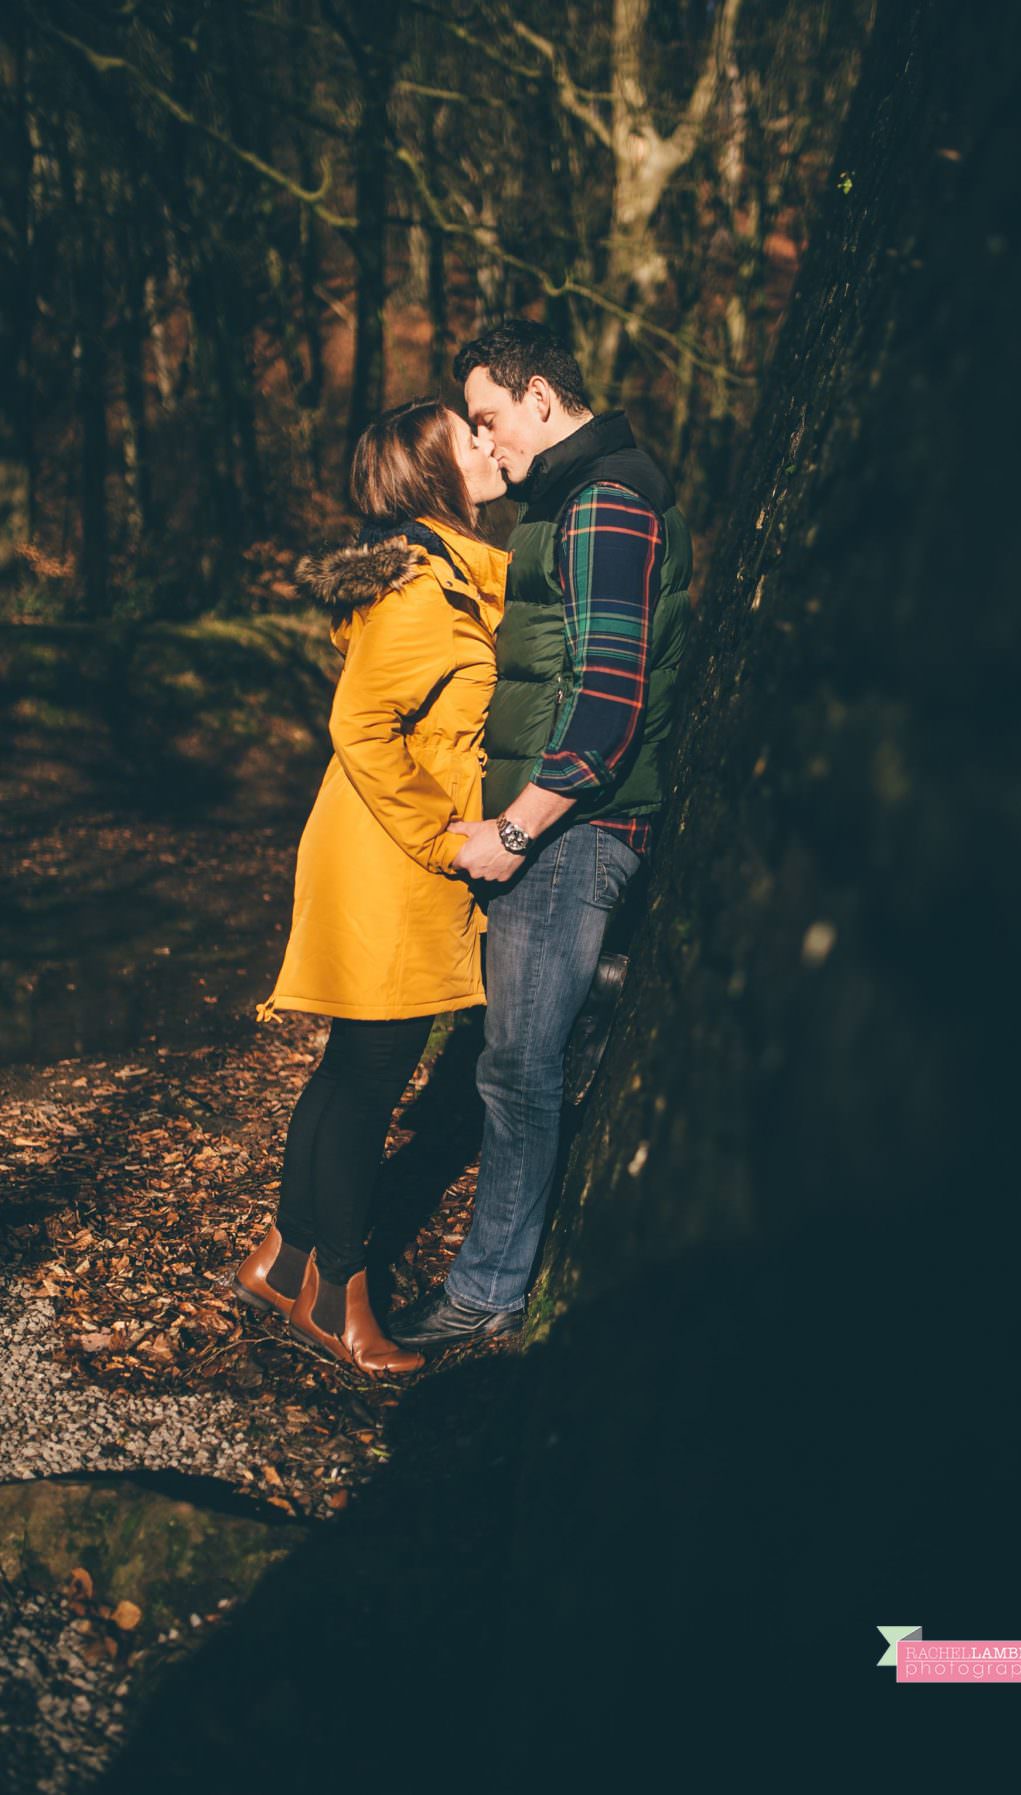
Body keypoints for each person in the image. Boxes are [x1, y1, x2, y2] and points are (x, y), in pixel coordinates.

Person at [391, 320, 693, 1351]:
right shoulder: (573, 499)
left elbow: (605, 708)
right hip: (567, 832)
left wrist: (514, 835)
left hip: (570, 835)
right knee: (521, 1060)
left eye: (488, 417)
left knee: (515, 1067)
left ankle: (487, 1291)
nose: (485, 443)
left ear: (540, 399)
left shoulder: (604, 501)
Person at [233, 398, 509, 1376]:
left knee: (353, 1067)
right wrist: (445, 838)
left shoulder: (444, 574)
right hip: (392, 854)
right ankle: (338, 1299)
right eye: (465, 436)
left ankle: (283, 1257)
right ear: (434, 470)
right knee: (373, 1077)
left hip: (378, 844)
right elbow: (361, 725)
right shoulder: (421, 591)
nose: (487, 444)